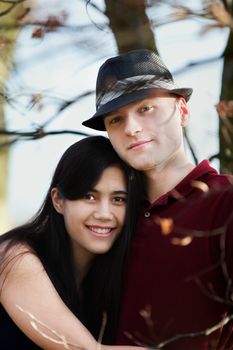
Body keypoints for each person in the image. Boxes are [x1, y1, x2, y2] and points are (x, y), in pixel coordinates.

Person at [82, 49, 233, 349]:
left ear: (183, 111)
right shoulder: (106, 218)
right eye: (115, 120)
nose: (131, 129)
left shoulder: (224, 202)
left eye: (146, 108)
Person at [0, 135, 146, 350]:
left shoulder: (109, 278)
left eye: (118, 199)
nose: (105, 214)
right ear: (58, 200)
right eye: (89, 196)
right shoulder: (15, 257)